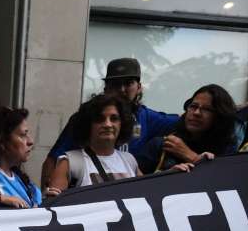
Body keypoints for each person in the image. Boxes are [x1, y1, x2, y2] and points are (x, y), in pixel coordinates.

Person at [41, 58, 177, 185]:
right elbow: (52, 161)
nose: (122, 90)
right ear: (106, 88)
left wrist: (179, 166)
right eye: (116, 84)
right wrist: (45, 201)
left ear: (139, 87)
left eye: (128, 83)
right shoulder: (83, 121)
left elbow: (189, 122)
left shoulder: (131, 159)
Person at [47, 94, 147, 194]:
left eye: (114, 119)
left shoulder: (129, 160)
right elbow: (54, 205)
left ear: (122, 124)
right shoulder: (69, 163)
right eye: (100, 119)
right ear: (87, 125)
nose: (108, 124)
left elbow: (146, 195)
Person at [136, 84, 238, 173]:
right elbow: (134, 183)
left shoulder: (227, 146)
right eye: (193, 106)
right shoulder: (163, 145)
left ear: (220, 116)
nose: (196, 113)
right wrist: (166, 175)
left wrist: (191, 156)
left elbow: (226, 180)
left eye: (207, 109)